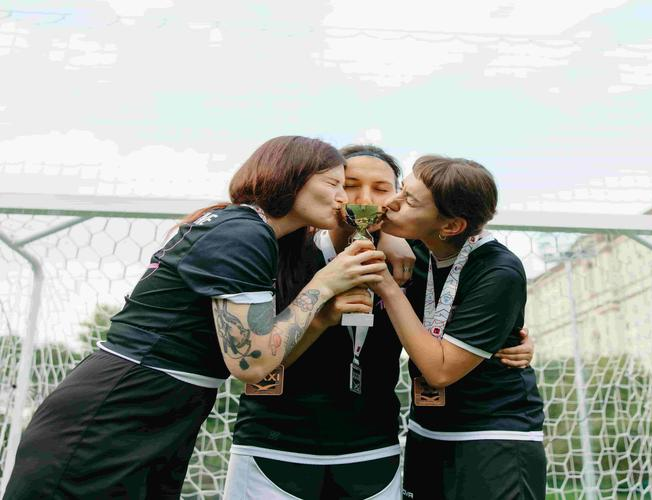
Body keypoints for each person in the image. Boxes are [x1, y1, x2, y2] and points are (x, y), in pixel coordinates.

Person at [2, 136, 387, 500]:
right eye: (334, 184)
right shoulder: (242, 234)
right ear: (290, 177)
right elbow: (251, 364)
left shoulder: (253, 232)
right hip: (118, 409)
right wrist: (323, 285)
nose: (343, 198)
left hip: (163, 411)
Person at [224, 145, 534, 500]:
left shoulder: (415, 261)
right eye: (350, 184)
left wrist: (511, 339)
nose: (366, 200)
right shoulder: (282, 251)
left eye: (383, 189)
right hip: (273, 445)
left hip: (374, 450)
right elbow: (252, 361)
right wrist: (321, 316)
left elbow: (468, 310)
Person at [372, 155, 546, 500]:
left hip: (492, 435)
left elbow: (440, 370)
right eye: (401, 189)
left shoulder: (498, 271)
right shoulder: (416, 249)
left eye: (409, 201)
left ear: (451, 226)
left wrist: (388, 288)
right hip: (426, 429)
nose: (392, 202)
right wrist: (387, 237)